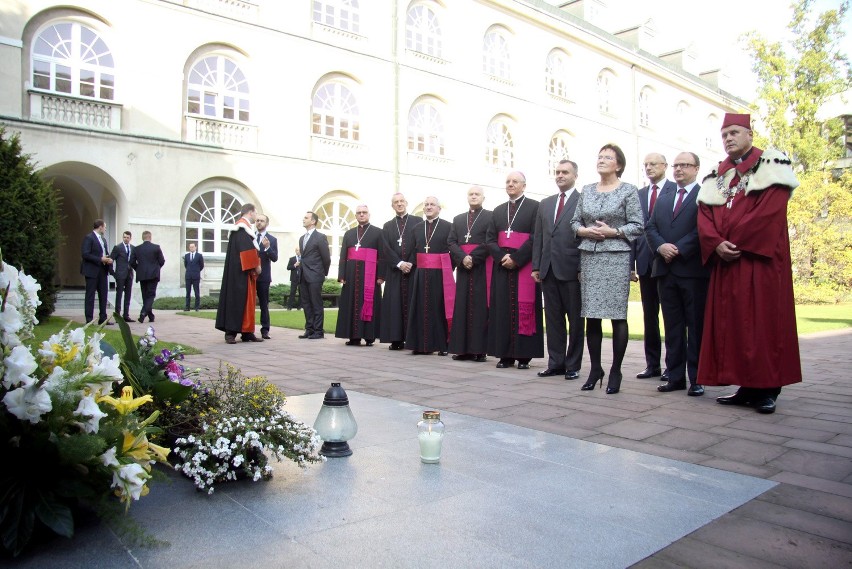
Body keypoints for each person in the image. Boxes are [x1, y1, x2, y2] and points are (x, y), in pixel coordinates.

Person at [697, 113, 801, 414]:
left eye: (734, 132)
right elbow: (704, 215)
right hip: (727, 261)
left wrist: (734, 242)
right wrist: (716, 243)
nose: (728, 138)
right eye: (724, 134)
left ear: (749, 134)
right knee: (733, 325)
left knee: (763, 323)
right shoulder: (718, 173)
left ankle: (768, 388)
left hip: (759, 260)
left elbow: (769, 212)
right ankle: (745, 386)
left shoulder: (771, 164)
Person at [571, 144, 643, 394]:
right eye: (599, 156)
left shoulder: (629, 191)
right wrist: (583, 230)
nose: (601, 160)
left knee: (617, 316)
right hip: (590, 256)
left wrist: (614, 231)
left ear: (619, 165)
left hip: (616, 257)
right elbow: (574, 221)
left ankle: (615, 371)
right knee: (591, 315)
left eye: (608, 157)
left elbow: (637, 225)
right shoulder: (587, 190)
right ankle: (594, 369)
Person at [645, 152, 709, 396]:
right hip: (665, 271)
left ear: (696, 168)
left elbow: (703, 228)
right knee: (672, 327)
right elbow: (650, 226)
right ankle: (675, 377)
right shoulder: (664, 197)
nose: (679, 169)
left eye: (685, 165)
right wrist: (661, 246)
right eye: (677, 165)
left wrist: (679, 248)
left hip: (691, 271)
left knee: (695, 326)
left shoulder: (704, 195)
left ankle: (697, 378)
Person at [532, 160, 584, 380]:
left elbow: (584, 236)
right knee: (553, 320)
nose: (560, 175)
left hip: (572, 269)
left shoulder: (583, 200)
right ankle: (556, 363)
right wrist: (536, 266)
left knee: (575, 319)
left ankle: (573, 365)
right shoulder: (545, 203)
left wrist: (583, 267)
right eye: (557, 172)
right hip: (548, 269)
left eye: (565, 172)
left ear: (575, 175)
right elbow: (540, 237)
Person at [486, 171, 543, 370]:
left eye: (515, 181)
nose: (510, 184)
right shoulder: (498, 210)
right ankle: (505, 355)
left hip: (524, 265)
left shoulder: (535, 207)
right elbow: (490, 239)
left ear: (523, 186)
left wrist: (517, 259)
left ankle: (524, 356)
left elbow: (536, 237)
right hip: (502, 266)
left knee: (523, 308)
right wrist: (502, 257)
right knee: (502, 309)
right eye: (508, 181)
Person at [631, 153, 676, 381]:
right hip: (645, 263)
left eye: (653, 164)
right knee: (650, 318)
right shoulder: (639, 195)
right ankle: (652, 365)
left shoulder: (675, 191)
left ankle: (673, 366)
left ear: (665, 166)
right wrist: (631, 265)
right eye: (645, 165)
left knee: (671, 317)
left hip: (667, 262)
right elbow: (633, 231)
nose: (648, 168)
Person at [448, 186, 493, 362]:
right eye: (471, 194)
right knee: (462, 307)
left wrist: (472, 258)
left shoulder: (490, 216)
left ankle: (479, 350)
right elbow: (451, 242)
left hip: (481, 267)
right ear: (467, 197)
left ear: (483, 197)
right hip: (463, 268)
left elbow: (490, 240)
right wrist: (462, 257)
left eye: (477, 194)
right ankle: (462, 349)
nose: (474, 196)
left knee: (480, 307)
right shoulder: (458, 219)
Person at [405, 197, 454, 355]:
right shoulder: (417, 228)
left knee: (439, 308)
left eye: (432, 204)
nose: (428, 207)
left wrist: (448, 269)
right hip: (420, 273)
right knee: (419, 308)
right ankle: (420, 345)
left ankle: (442, 345)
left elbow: (451, 249)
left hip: (440, 274)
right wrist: (410, 264)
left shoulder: (448, 226)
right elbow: (413, 251)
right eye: (426, 204)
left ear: (439, 208)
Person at [335, 205, 384, 346]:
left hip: (370, 274)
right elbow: (343, 256)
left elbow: (382, 256)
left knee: (369, 303)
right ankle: (353, 337)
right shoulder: (349, 233)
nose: (361, 215)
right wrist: (342, 275)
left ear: (369, 214)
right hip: (351, 275)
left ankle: (369, 337)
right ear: (355, 216)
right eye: (359, 213)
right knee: (351, 303)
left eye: (364, 213)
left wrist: (381, 275)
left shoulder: (378, 232)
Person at [379, 193, 423, 350]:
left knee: (413, 303)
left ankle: (412, 339)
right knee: (394, 305)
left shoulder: (418, 222)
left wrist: (410, 262)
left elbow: (420, 243)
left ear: (406, 203)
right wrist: (399, 263)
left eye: (402, 201)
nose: (399, 204)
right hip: (395, 271)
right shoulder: (387, 225)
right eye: (396, 202)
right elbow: (385, 248)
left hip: (412, 270)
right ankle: (396, 339)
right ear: (392, 206)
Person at [214, 203, 262, 343]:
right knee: (237, 300)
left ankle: (247, 332)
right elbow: (246, 251)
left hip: (242, 272)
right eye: (255, 213)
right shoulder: (241, 228)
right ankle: (231, 332)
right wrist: (256, 266)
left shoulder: (243, 228)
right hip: (239, 272)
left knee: (246, 302)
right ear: (250, 212)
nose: (256, 216)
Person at [298, 211, 331, 340]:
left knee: (316, 303)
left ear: (313, 221)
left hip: (315, 275)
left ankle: (318, 331)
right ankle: (309, 329)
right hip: (303, 275)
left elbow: (326, 258)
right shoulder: (302, 238)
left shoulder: (320, 237)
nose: (303, 219)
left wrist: (322, 273)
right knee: (306, 303)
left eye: (306, 218)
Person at [80, 219, 113, 324]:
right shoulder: (89, 238)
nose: (105, 229)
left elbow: (105, 253)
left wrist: (108, 259)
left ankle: (103, 318)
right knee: (90, 296)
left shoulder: (103, 240)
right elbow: (85, 254)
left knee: (103, 295)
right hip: (91, 271)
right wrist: (100, 259)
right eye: (105, 227)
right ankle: (89, 319)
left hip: (103, 270)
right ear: (100, 227)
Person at [132, 230, 165, 324]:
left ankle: (150, 316)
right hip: (153, 275)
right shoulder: (156, 247)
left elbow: (131, 262)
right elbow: (162, 261)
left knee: (145, 295)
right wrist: (156, 268)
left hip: (142, 274)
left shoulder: (137, 249)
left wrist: (138, 269)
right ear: (150, 237)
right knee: (150, 295)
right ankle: (143, 313)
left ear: (142, 238)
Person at [254, 213, 278, 340]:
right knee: (248, 304)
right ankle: (247, 329)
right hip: (250, 276)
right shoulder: (250, 237)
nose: (259, 223)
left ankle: (265, 330)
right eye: (257, 220)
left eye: (262, 221)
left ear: (267, 224)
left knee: (264, 304)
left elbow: (274, 258)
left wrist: (267, 247)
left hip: (263, 277)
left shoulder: (272, 240)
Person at [109, 230, 134, 323]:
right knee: (119, 294)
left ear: (130, 238)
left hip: (129, 274)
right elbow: (111, 259)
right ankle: (117, 315)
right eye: (124, 237)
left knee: (128, 295)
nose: (126, 239)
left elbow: (134, 261)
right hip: (120, 274)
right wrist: (112, 273)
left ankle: (126, 315)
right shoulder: (118, 247)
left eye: (127, 237)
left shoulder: (133, 248)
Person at [183, 242, 204, 312]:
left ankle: (197, 307)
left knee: (196, 292)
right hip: (188, 276)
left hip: (196, 276)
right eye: (190, 247)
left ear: (196, 247)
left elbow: (201, 265)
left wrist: (196, 271)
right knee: (187, 292)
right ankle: (187, 307)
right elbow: (186, 265)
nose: (191, 248)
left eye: (193, 247)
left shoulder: (199, 256)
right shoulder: (186, 256)